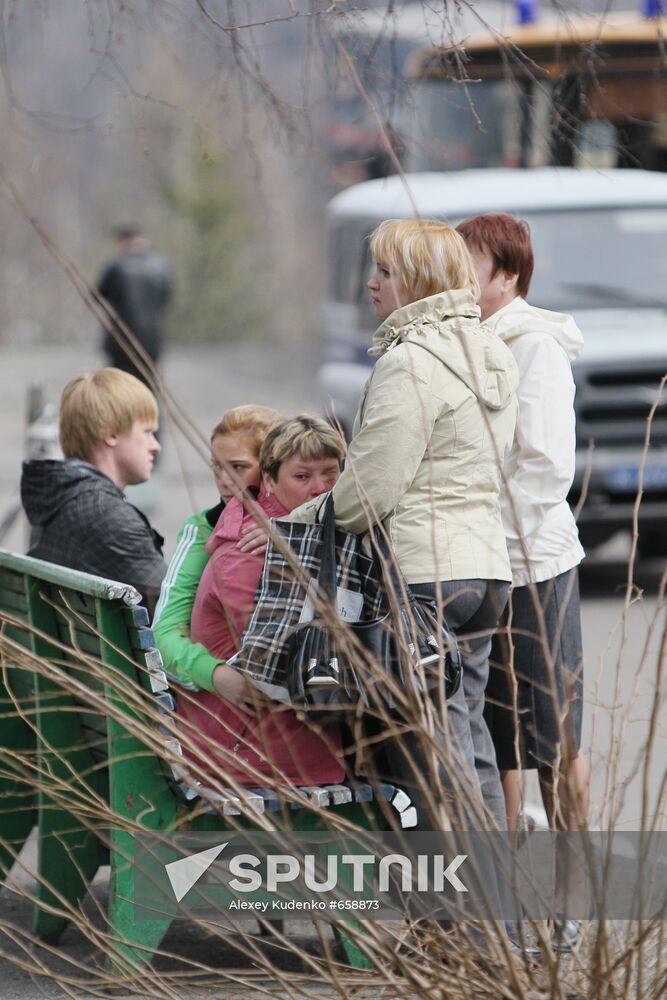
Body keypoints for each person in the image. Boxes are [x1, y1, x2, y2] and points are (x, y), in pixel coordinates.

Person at [289, 219, 519, 837]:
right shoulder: (491, 351)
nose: (371, 284)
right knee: (470, 747)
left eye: (385, 272)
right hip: (485, 576)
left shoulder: (412, 363)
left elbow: (367, 495)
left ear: (415, 280)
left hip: (423, 580)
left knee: (427, 763)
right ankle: (499, 914)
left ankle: (455, 917)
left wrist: (293, 520)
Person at [456, 213, 589, 842]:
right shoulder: (464, 339)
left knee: (555, 740)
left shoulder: (533, 345)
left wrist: (487, 535)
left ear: (507, 277)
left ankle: (571, 901)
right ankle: (507, 901)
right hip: (480, 564)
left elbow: (544, 469)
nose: (454, 277)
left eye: (469, 265)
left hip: (534, 566)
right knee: (495, 730)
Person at [177, 416, 346, 787]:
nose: (320, 489)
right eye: (302, 477)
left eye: (330, 475)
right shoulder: (247, 551)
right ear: (268, 481)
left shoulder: (293, 535)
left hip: (269, 744)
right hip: (254, 755)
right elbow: (281, 665)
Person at [153, 404, 283, 691]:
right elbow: (164, 632)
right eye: (216, 467)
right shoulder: (201, 529)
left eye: (238, 467)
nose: (224, 481)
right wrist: (213, 674)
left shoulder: (299, 526)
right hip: (218, 702)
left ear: (270, 469)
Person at [21, 369, 166, 612]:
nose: (156, 446)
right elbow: (173, 612)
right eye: (147, 432)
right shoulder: (105, 515)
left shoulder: (60, 498)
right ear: (110, 434)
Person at [97, 226, 172, 384]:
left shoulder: (116, 266)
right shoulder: (160, 266)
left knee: (120, 388)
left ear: (122, 242)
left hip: (121, 339)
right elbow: (166, 298)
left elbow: (97, 295)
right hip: (152, 339)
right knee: (148, 385)